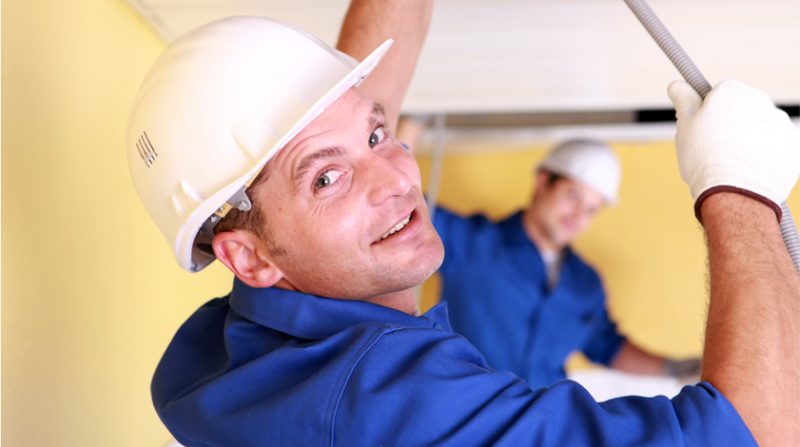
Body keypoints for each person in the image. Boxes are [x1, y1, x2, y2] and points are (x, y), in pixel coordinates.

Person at [127, 2, 799, 445]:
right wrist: (738, 187)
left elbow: (337, 128)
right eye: (328, 178)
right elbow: (758, 434)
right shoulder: (390, 399)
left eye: (378, 135)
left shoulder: (244, 342)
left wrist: (337, 159)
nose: (399, 178)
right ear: (248, 258)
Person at [409, 133, 700, 389]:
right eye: (573, 196)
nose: (579, 216)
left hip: (549, 424)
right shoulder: (474, 243)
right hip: (473, 419)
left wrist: (675, 369)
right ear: (543, 182)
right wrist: (406, 129)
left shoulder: (586, 283)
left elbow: (607, 347)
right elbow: (405, 204)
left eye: (591, 209)